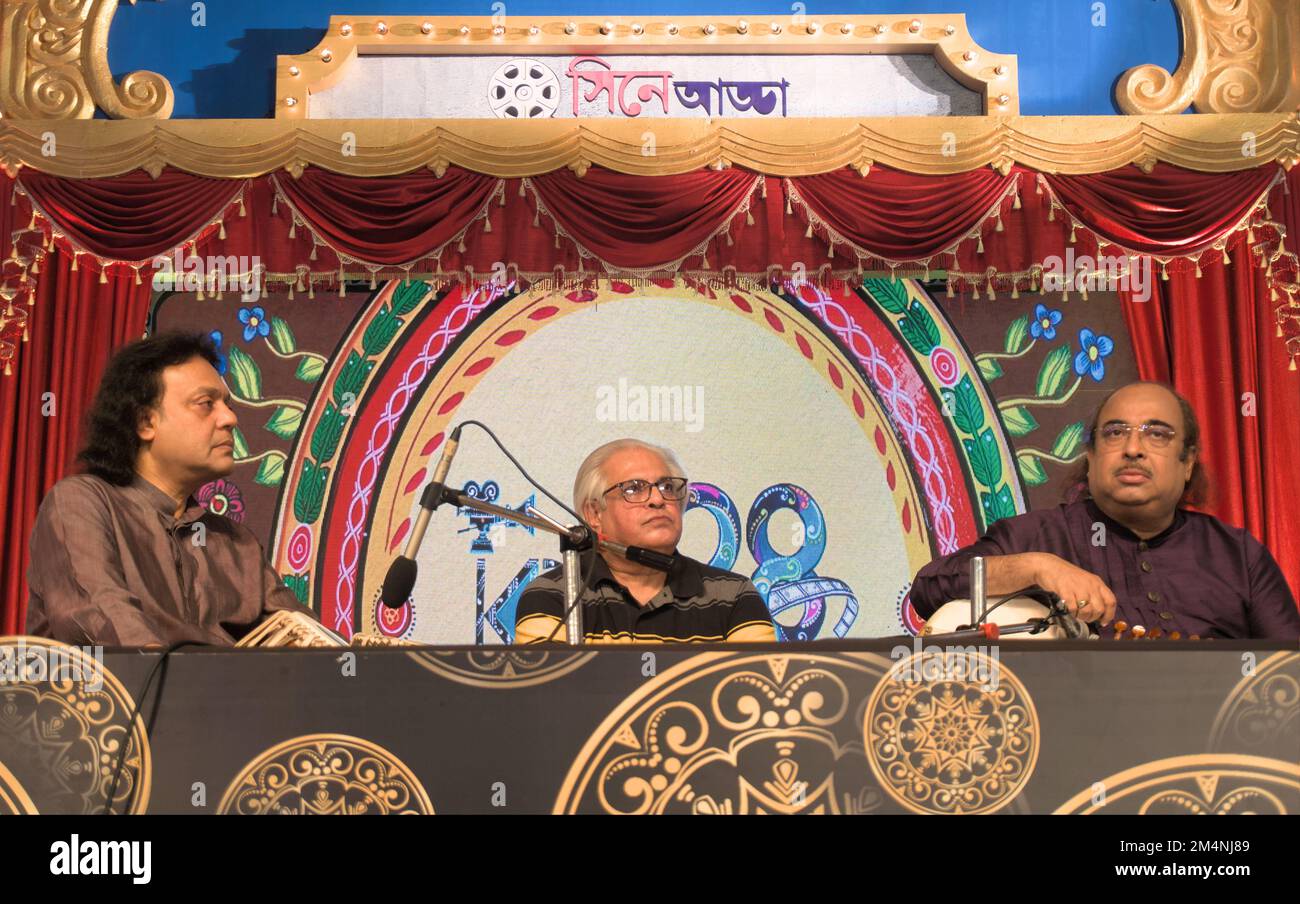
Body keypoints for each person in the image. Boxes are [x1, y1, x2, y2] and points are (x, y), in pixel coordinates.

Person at [910, 381, 1300, 639]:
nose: (1133, 449)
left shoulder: (1237, 555)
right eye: (1115, 433)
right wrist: (1036, 567)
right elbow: (929, 588)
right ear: (1092, 456)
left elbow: (1289, 676)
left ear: (1188, 462)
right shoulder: (1037, 537)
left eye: (1157, 434)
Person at [26, 332, 315, 646]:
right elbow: (100, 615)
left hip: (221, 691)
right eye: (206, 404)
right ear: (146, 423)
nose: (230, 418)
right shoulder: (82, 502)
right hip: (119, 693)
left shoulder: (237, 543)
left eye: (227, 405)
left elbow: (304, 637)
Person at [514, 439, 777, 643]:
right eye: (634, 488)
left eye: (668, 487)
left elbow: (754, 696)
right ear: (594, 513)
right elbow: (547, 701)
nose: (658, 499)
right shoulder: (552, 595)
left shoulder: (733, 595)